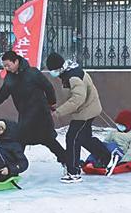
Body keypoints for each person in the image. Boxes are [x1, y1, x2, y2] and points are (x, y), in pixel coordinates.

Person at [0, 51, 65, 165]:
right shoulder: (10, 79)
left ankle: (68, 162)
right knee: (19, 142)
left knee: (50, 141)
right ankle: (13, 167)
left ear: (16, 61)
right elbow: (2, 95)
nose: (6, 68)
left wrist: (52, 103)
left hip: (41, 116)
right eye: (4, 66)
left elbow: (48, 87)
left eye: (8, 65)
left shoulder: (33, 73)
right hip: (25, 116)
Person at [46, 52, 111, 184]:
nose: (52, 73)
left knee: (72, 138)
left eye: (52, 70)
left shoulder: (73, 77)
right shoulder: (69, 71)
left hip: (85, 111)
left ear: (58, 68)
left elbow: (77, 99)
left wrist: (58, 112)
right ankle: (105, 157)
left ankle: (73, 172)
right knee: (84, 138)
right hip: (87, 109)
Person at [85, 109, 131, 175]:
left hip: (121, 154)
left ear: (128, 125)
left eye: (122, 125)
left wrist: (124, 161)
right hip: (109, 152)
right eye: (118, 124)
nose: (119, 126)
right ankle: (89, 162)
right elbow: (106, 142)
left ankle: (106, 164)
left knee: (112, 145)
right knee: (98, 147)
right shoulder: (113, 133)